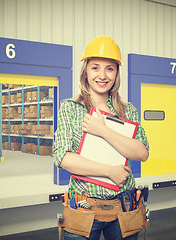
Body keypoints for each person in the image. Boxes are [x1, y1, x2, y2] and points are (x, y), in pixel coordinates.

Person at [53, 36, 149, 240]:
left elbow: (142, 152)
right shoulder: (70, 108)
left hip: (124, 207)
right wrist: (109, 171)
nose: (102, 75)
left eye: (110, 68)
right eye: (95, 67)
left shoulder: (128, 110)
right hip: (83, 208)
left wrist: (103, 130)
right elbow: (62, 157)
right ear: (85, 71)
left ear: (117, 73)